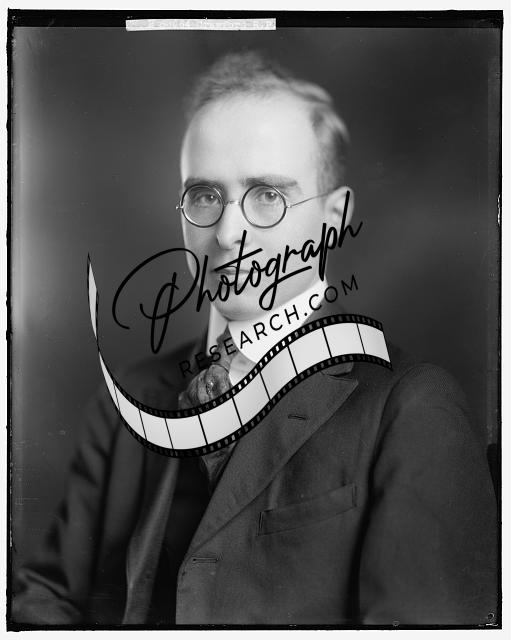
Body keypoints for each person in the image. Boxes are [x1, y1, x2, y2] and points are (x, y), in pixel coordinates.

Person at [12, 51, 498, 627]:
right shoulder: (126, 400)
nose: (228, 233)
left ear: (334, 218)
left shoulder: (409, 407)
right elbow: (45, 604)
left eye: (267, 194)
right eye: (204, 195)